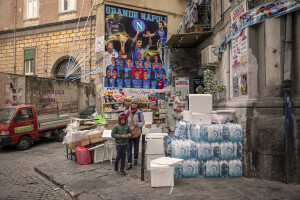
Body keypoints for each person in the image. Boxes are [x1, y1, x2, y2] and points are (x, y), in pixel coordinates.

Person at [125, 97, 145, 170]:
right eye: (133, 103)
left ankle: (135, 159)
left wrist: (137, 124)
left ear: (137, 105)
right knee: (129, 148)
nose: (134, 105)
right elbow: (124, 121)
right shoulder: (127, 112)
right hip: (129, 133)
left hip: (137, 133)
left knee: (136, 147)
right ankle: (129, 163)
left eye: (135, 103)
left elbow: (143, 122)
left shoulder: (140, 113)